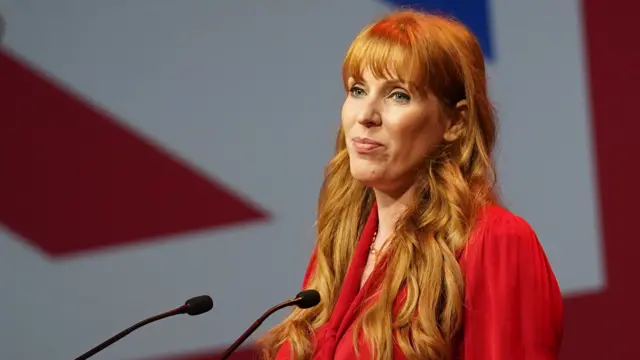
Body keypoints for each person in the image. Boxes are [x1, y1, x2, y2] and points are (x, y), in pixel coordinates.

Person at [259, 8, 563, 360]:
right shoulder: (340, 248)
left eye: (398, 95)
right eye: (357, 90)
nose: (365, 115)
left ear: (455, 122)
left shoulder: (494, 241)